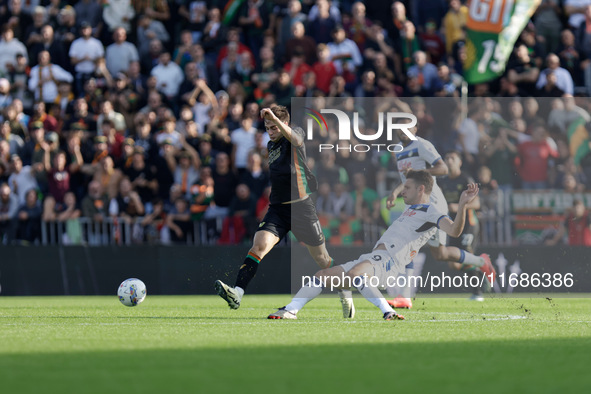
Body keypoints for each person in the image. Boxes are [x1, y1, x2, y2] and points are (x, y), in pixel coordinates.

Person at [267, 171, 480, 320]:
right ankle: (291, 310)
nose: (402, 191)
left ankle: (388, 311)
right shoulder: (410, 209)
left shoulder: (432, 211)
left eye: (407, 187)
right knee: (322, 275)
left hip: (389, 262)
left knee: (354, 276)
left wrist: (462, 206)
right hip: (373, 258)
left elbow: (454, 231)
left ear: (421, 189)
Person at [215, 105, 354, 318]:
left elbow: (297, 140)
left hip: (302, 208)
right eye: (268, 127)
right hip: (278, 209)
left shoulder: (295, 134)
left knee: (323, 259)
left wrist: (276, 120)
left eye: (274, 127)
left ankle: (344, 289)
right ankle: (238, 293)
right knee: (259, 245)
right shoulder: (271, 145)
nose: (270, 131)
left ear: (284, 124)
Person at [386, 125, 495, 308]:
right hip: (419, 204)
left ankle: (404, 296)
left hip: (430, 204)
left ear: (414, 128)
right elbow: (408, 180)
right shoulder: (399, 151)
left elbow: (442, 169)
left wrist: (417, 174)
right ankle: (481, 261)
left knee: (407, 242)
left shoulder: (421, 145)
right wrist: (395, 192)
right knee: (441, 254)